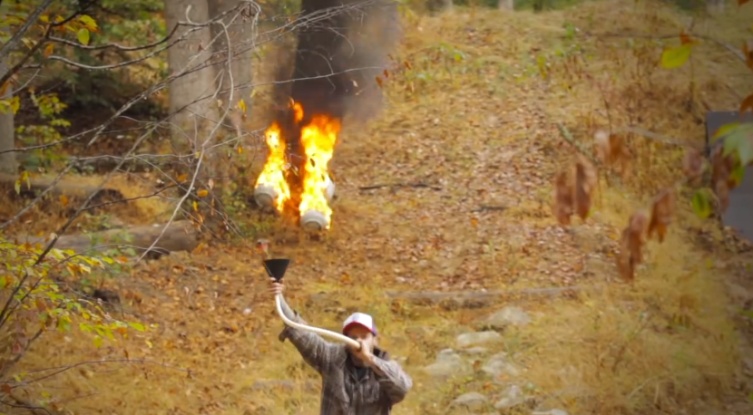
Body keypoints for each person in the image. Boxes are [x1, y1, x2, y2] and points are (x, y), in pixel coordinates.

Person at [269, 278, 413, 414]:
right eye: (353, 337)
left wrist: (369, 359)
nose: (359, 341)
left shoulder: (387, 368)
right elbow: (300, 331)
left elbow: (402, 388)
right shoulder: (331, 357)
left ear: (375, 340)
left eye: (364, 336)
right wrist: (279, 296)